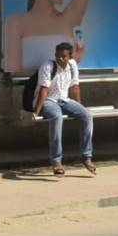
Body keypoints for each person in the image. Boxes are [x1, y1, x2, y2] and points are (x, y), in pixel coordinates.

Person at [4, 0, 97, 73]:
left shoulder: (69, 19)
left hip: (62, 90)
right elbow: (11, 75)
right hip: (31, 90)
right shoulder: (15, 23)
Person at [32, 42, 96, 176]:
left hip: (64, 100)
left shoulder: (72, 65)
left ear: (70, 56)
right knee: (57, 116)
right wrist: (36, 112)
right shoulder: (48, 66)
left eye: (64, 56)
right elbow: (44, 89)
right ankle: (56, 161)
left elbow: (75, 87)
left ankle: (86, 156)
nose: (60, 59)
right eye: (58, 56)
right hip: (47, 101)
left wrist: (79, 107)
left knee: (87, 115)